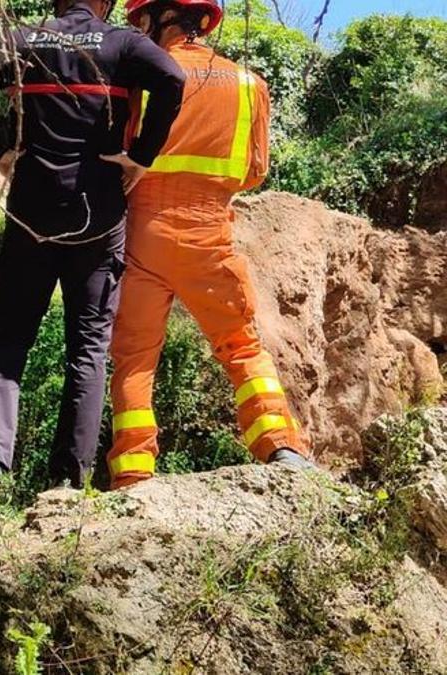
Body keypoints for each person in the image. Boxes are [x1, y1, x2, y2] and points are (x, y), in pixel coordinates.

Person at [0, 0, 186, 509]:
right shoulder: (123, 44)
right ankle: (67, 483)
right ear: (105, 3)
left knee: (8, 341)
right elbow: (172, 78)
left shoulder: (26, 40)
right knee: (88, 348)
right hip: (96, 215)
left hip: (31, 212)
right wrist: (140, 155)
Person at [105, 0, 315, 489]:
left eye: (141, 22)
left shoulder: (140, 77)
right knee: (240, 344)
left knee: (134, 356)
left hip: (142, 230)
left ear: (159, 18)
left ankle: (133, 476)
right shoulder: (250, 84)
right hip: (209, 233)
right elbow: (254, 171)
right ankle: (280, 444)